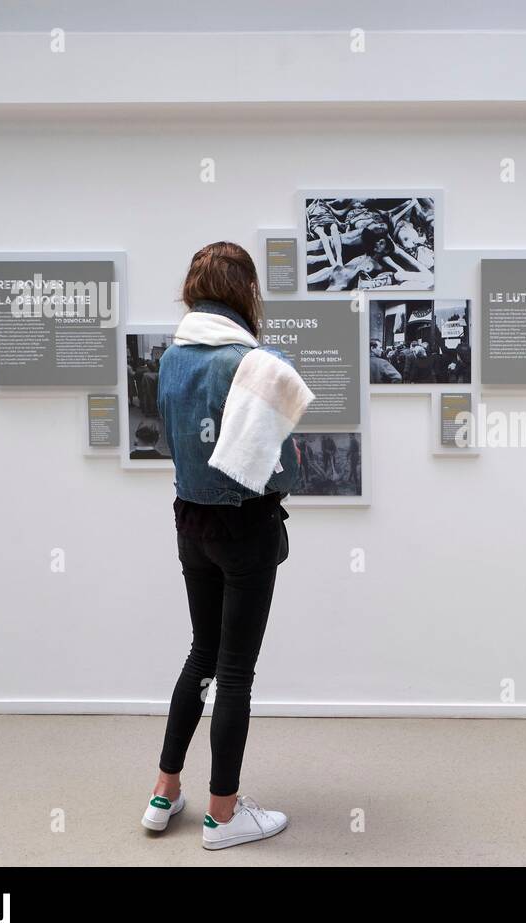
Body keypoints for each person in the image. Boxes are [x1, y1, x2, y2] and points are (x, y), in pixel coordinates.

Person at [145, 241, 314, 851]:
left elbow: (177, 444)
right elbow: (280, 472)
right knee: (236, 672)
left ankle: (164, 794)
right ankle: (222, 814)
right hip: (245, 529)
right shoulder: (255, 362)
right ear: (245, 291)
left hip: (190, 523)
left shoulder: (172, 358)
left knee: (202, 654)